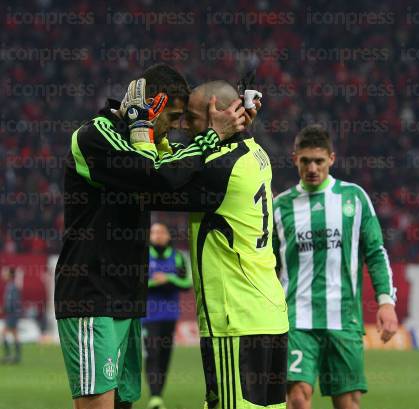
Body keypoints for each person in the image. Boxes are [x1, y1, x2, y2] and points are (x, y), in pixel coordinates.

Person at [54, 64, 252, 409]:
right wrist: (210, 137)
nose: (175, 127)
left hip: (128, 301)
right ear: (151, 105)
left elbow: (186, 177)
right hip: (90, 297)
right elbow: (156, 178)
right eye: (173, 116)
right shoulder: (95, 136)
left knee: (124, 404)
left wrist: (234, 131)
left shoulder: (151, 142)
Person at [174, 80, 289, 409]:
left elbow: (158, 181)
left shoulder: (218, 168)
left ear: (218, 116)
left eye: (194, 118)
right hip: (270, 316)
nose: (186, 126)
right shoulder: (256, 152)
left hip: (234, 321)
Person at [272, 125, 398, 409]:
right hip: (296, 319)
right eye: (305, 161)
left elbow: (376, 253)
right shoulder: (281, 206)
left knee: (347, 404)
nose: (312, 168)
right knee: (297, 398)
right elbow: (267, 266)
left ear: (332, 158)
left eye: (319, 161)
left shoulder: (354, 198)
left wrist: (386, 302)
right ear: (295, 160)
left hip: (344, 319)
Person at [143, 223, 192, 409]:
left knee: (164, 355)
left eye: (161, 231)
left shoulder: (177, 257)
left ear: (168, 236)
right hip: (149, 316)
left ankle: (158, 396)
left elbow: (187, 282)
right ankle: (154, 396)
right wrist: (156, 282)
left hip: (170, 316)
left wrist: (169, 278)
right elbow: (136, 284)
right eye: (153, 232)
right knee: (153, 354)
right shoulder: (144, 256)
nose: (157, 235)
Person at [1, 268, 21, 364]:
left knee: (5, 334)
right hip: (12, 314)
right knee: (14, 334)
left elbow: (12, 303)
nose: (4, 274)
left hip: (11, 315)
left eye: (6, 273)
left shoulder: (12, 287)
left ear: (10, 275)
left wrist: (4, 309)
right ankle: (16, 356)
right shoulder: (11, 286)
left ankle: (9, 356)